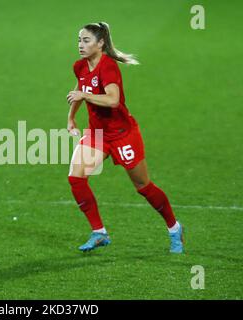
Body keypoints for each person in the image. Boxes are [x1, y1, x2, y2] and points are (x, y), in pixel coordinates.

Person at [66, 22, 184, 253]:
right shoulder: (80, 66)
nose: (80, 45)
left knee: (143, 186)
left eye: (86, 40)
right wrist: (71, 118)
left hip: (123, 135)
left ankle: (174, 228)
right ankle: (99, 232)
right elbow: (79, 91)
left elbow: (113, 100)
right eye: (79, 40)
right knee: (76, 178)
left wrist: (85, 95)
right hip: (98, 134)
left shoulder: (108, 67)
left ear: (100, 43)